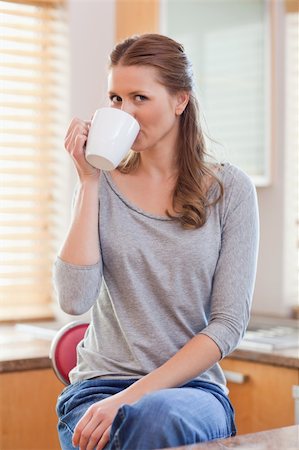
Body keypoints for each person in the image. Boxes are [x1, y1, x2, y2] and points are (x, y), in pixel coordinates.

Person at [53, 33, 259, 450]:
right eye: (114, 98)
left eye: (139, 98)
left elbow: (228, 325)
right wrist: (90, 180)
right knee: (135, 426)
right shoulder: (100, 186)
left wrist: (131, 398)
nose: (123, 111)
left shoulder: (230, 190)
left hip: (192, 393)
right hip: (98, 390)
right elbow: (75, 300)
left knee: (152, 420)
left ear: (180, 101)